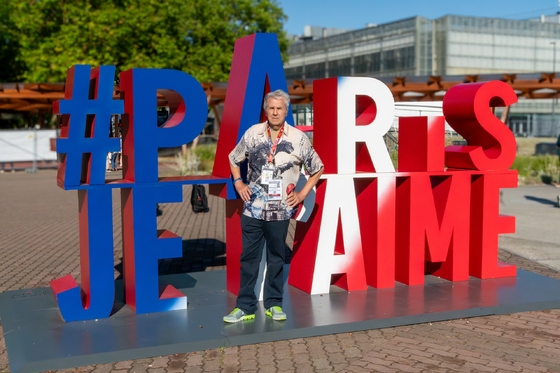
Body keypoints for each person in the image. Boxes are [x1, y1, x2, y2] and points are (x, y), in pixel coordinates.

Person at [223, 89, 324, 323]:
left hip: (280, 210)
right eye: (271, 108)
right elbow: (233, 157)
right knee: (249, 258)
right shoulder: (253, 133)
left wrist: (302, 194)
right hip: (253, 207)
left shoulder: (298, 138)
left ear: (286, 111)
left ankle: (274, 305)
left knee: (276, 257)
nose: (275, 112)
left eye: (280, 108)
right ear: (266, 110)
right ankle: (244, 307)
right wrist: (238, 182)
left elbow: (317, 167)